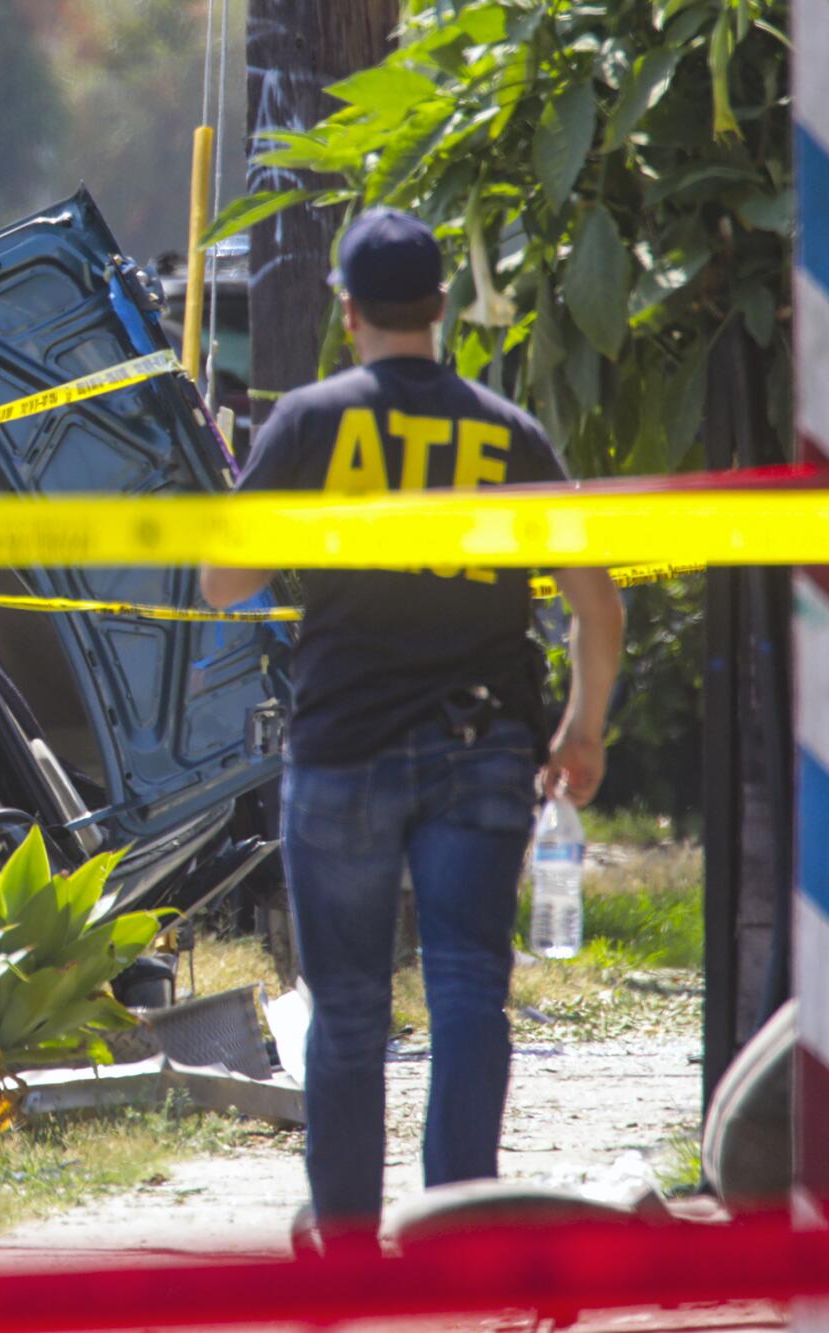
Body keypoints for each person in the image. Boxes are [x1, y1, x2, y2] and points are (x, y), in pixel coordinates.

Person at [199, 207, 626, 1245]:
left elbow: (222, 582)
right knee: (469, 992)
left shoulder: (307, 422)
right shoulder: (505, 432)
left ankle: (347, 1250)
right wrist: (580, 729)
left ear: (346, 313)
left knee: (346, 1011)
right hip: (483, 749)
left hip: (341, 751)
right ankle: (459, 1239)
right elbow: (595, 601)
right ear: (440, 310)